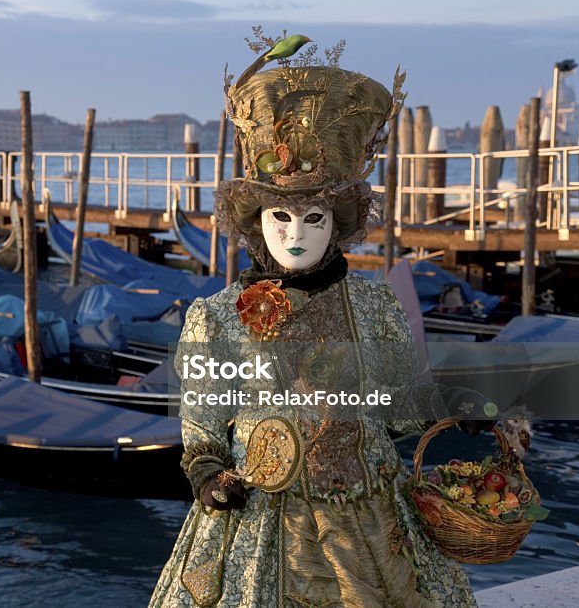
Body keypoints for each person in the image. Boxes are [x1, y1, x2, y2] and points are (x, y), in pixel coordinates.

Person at [149, 43, 483, 607]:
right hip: (259, 517)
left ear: (337, 223)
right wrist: (209, 477)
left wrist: (467, 407)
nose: (296, 233)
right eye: (280, 216)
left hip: (372, 519)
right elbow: (203, 430)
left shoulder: (374, 308)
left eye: (313, 217)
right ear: (257, 221)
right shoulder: (217, 317)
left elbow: (399, 407)